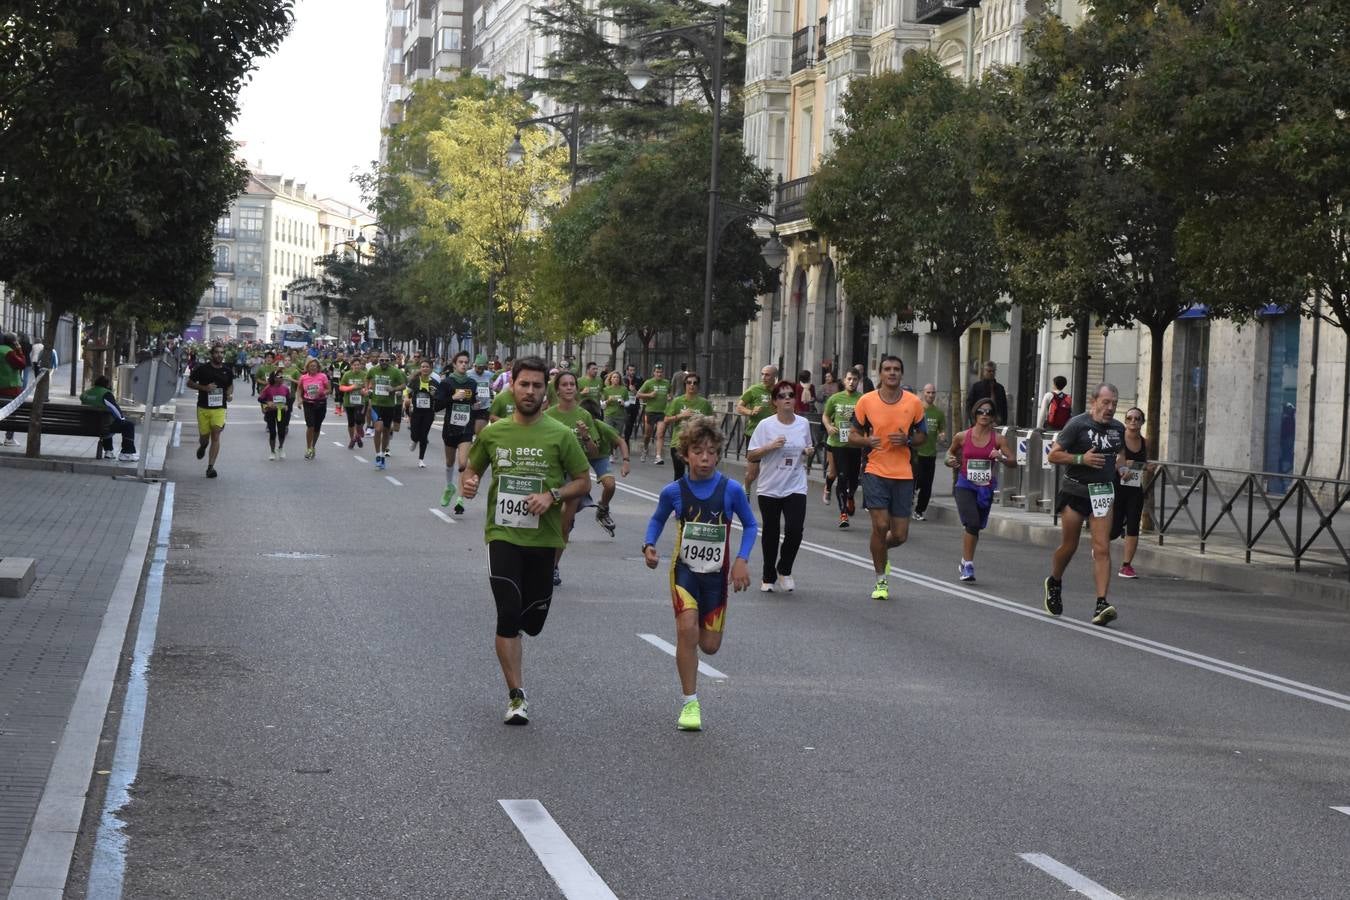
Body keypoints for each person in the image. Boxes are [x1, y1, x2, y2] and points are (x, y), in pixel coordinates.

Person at [460, 357, 592, 726]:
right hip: (502, 533)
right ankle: (516, 695)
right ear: (512, 387)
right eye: (524, 385)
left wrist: (553, 494)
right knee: (507, 612)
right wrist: (468, 484)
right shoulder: (493, 433)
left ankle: (525, 629)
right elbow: (472, 470)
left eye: (537, 386)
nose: (530, 391)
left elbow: (584, 481)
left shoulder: (560, 435)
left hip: (544, 537)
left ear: (543, 391)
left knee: (531, 621)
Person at [643, 415, 756, 731]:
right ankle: (689, 703)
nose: (704, 458)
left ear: (718, 453)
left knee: (709, 646)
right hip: (685, 572)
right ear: (685, 454)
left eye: (710, 451)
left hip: (716, 576)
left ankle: (693, 681)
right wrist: (649, 545)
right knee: (687, 628)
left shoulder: (731, 490)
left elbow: (750, 525)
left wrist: (742, 560)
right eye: (698, 451)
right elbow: (656, 519)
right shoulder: (674, 491)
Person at [1043, 382, 1126, 626]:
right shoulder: (1077, 424)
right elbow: (1053, 454)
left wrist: (1121, 467)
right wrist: (1082, 458)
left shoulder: (1117, 429)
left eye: (1114, 404)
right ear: (1093, 402)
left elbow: (1119, 453)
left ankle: (1102, 603)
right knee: (1069, 546)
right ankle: (1055, 581)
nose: (1110, 408)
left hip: (1102, 494)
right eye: (1106, 403)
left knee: (1102, 548)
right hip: (1075, 492)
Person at [848, 355, 927, 600]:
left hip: (903, 473)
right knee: (881, 526)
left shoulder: (914, 403)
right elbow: (851, 435)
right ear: (880, 374)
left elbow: (923, 437)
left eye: (896, 369)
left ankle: (880, 549)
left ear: (901, 374)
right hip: (875, 470)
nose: (892, 373)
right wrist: (865, 440)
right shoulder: (866, 402)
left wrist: (908, 440)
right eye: (887, 369)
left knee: (900, 535)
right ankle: (881, 581)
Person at [747, 380, 813, 592]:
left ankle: (784, 569)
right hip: (770, 486)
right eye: (782, 396)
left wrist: (807, 452)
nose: (787, 399)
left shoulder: (803, 424)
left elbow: (806, 446)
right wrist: (770, 446)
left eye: (791, 395)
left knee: (795, 530)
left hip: (795, 485)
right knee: (771, 532)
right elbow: (751, 454)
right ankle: (768, 576)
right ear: (775, 401)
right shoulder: (765, 425)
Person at [945, 400, 1014, 581]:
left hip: (985, 488)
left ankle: (965, 560)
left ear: (993, 417)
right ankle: (968, 565)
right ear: (974, 414)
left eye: (989, 412)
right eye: (981, 412)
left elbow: (1013, 461)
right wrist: (949, 461)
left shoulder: (998, 439)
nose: (984, 414)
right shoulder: (962, 436)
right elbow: (949, 454)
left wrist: (1001, 457)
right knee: (972, 523)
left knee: (976, 527)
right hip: (965, 484)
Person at [545, 371, 603, 585]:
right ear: (557, 389)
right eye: (565, 384)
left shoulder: (584, 416)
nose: (569, 388)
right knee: (548, 520)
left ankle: (553, 567)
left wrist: (586, 436)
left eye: (572, 384)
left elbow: (595, 452)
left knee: (564, 523)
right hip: (551, 472)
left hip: (575, 475)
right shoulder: (548, 415)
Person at [1111, 407, 1152, 579]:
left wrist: (1147, 467)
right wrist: (1132, 465)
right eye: (1130, 418)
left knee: (1133, 526)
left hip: (1135, 489)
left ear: (1142, 422)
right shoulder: (1118, 439)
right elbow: (1114, 462)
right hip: (1117, 487)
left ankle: (1126, 566)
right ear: (1125, 421)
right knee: (1113, 529)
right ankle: (1100, 547)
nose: (1133, 421)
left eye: (1137, 418)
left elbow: (1145, 463)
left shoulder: (1145, 442)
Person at [822, 369, 863, 528]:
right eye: (849, 379)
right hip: (838, 443)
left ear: (858, 381)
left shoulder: (863, 399)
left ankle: (851, 495)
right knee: (842, 475)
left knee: (853, 479)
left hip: (855, 443)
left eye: (854, 379)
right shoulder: (835, 398)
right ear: (844, 381)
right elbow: (826, 415)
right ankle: (843, 513)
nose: (851, 382)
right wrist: (828, 426)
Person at [186, 344, 234, 477]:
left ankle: (210, 467)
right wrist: (204, 388)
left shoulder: (227, 370)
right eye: (217, 353)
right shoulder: (202, 369)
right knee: (204, 438)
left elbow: (230, 385)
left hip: (219, 408)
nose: (220, 355)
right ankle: (202, 446)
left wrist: (229, 394)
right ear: (212, 354)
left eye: (222, 353)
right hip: (203, 407)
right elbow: (189, 383)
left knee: (216, 434)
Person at [664, 372, 714, 480]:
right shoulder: (677, 401)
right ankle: (678, 496)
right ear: (685, 385)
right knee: (679, 475)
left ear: (698, 386)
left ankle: (692, 495)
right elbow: (666, 420)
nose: (692, 385)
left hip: (697, 443)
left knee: (694, 474)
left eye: (695, 383)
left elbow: (713, 421)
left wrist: (703, 419)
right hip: (678, 443)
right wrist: (681, 415)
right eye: (689, 382)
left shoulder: (704, 403)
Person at [736, 365, 778, 493]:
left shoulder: (779, 391)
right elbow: (739, 407)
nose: (764, 377)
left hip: (774, 435)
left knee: (773, 469)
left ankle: (769, 494)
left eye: (767, 375)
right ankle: (746, 488)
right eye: (762, 374)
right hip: (754, 434)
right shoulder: (754, 390)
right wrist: (750, 411)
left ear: (775, 377)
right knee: (753, 473)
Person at [79, 375, 138, 461]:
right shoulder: (105, 394)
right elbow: (115, 409)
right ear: (107, 385)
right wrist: (122, 419)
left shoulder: (86, 393)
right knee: (128, 425)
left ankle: (109, 452)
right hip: (102, 426)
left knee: (105, 421)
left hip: (86, 425)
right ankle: (126, 453)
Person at [912, 384, 948, 521]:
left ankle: (919, 511)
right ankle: (909, 499)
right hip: (917, 453)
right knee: (917, 481)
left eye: (933, 393)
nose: (931, 395)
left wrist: (942, 435)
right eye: (928, 392)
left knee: (927, 485)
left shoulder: (938, 413)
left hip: (931, 454)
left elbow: (942, 429)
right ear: (923, 393)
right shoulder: (917, 410)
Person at [364, 352, 407, 470]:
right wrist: (367, 389)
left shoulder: (395, 371)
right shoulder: (373, 370)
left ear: (389, 361)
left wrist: (393, 389)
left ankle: (383, 454)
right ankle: (377, 454)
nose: (383, 362)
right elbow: (367, 378)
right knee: (378, 428)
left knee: (387, 430)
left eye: (386, 360)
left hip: (389, 405)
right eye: (381, 360)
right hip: (376, 404)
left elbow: (404, 385)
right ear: (378, 360)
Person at [404, 359, 438, 468]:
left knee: (424, 435)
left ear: (431, 369)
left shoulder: (434, 383)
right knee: (415, 433)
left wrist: (434, 395)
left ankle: (421, 459)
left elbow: (440, 396)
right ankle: (414, 440)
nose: (425, 368)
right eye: (423, 366)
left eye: (427, 367)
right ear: (420, 368)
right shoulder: (415, 380)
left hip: (429, 412)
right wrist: (406, 399)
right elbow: (406, 391)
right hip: (416, 411)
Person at [637, 363, 672, 464]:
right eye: (657, 372)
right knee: (647, 434)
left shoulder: (667, 383)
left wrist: (670, 397)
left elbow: (670, 393)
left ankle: (658, 456)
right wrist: (649, 395)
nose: (659, 374)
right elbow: (638, 394)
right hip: (650, 411)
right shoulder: (649, 383)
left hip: (662, 412)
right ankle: (645, 449)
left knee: (660, 434)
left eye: (661, 372)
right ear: (653, 373)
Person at [298, 357, 330, 460]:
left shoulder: (323, 376)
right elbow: (299, 390)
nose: (313, 368)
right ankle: (308, 448)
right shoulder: (303, 377)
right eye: (311, 366)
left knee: (317, 426)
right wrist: (299, 400)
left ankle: (313, 446)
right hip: (308, 403)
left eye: (315, 366)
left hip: (320, 403)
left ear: (318, 367)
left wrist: (321, 392)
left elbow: (328, 389)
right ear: (307, 367)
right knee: (310, 425)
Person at [257, 370, 291, 459]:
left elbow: (288, 399)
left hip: (282, 412)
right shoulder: (268, 388)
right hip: (271, 412)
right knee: (272, 432)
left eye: (282, 376)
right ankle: (272, 451)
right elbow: (260, 399)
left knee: (282, 432)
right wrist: (267, 402)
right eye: (279, 377)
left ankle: (281, 447)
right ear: (274, 378)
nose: (281, 378)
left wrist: (287, 406)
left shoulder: (285, 388)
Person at [0, 332, 27, 445]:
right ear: (13, 342)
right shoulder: (9, 352)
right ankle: (9, 438)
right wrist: (20, 350)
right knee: (12, 413)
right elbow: (21, 364)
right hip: (10, 387)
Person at [965, 361, 1009, 426]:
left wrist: (1003, 423)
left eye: (993, 371)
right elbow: (969, 405)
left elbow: (1004, 407)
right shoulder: (976, 387)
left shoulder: (1000, 388)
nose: (991, 373)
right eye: (989, 371)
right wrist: (973, 421)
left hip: (996, 423)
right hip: (980, 422)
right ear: (983, 371)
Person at [339, 359, 368, 448]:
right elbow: (341, 387)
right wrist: (351, 387)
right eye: (355, 365)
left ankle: (357, 435)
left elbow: (369, 386)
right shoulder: (347, 374)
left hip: (360, 401)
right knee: (351, 422)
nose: (356, 366)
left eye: (358, 365)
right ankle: (353, 438)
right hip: (349, 401)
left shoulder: (364, 375)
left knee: (359, 420)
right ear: (351, 366)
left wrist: (365, 391)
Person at [469, 353, 495, 438]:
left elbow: (494, 385)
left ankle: (478, 449)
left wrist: (491, 388)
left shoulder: (489, 374)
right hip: (471, 406)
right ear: (474, 366)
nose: (480, 370)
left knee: (479, 433)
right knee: (469, 433)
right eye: (478, 368)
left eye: (482, 368)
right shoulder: (468, 374)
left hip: (484, 407)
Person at [621, 363, 643, 446]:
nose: (632, 372)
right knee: (627, 422)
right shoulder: (623, 379)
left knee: (631, 423)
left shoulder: (639, 379)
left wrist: (634, 391)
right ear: (627, 371)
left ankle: (627, 438)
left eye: (633, 370)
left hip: (634, 404)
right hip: (625, 405)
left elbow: (642, 393)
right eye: (630, 370)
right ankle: (624, 441)